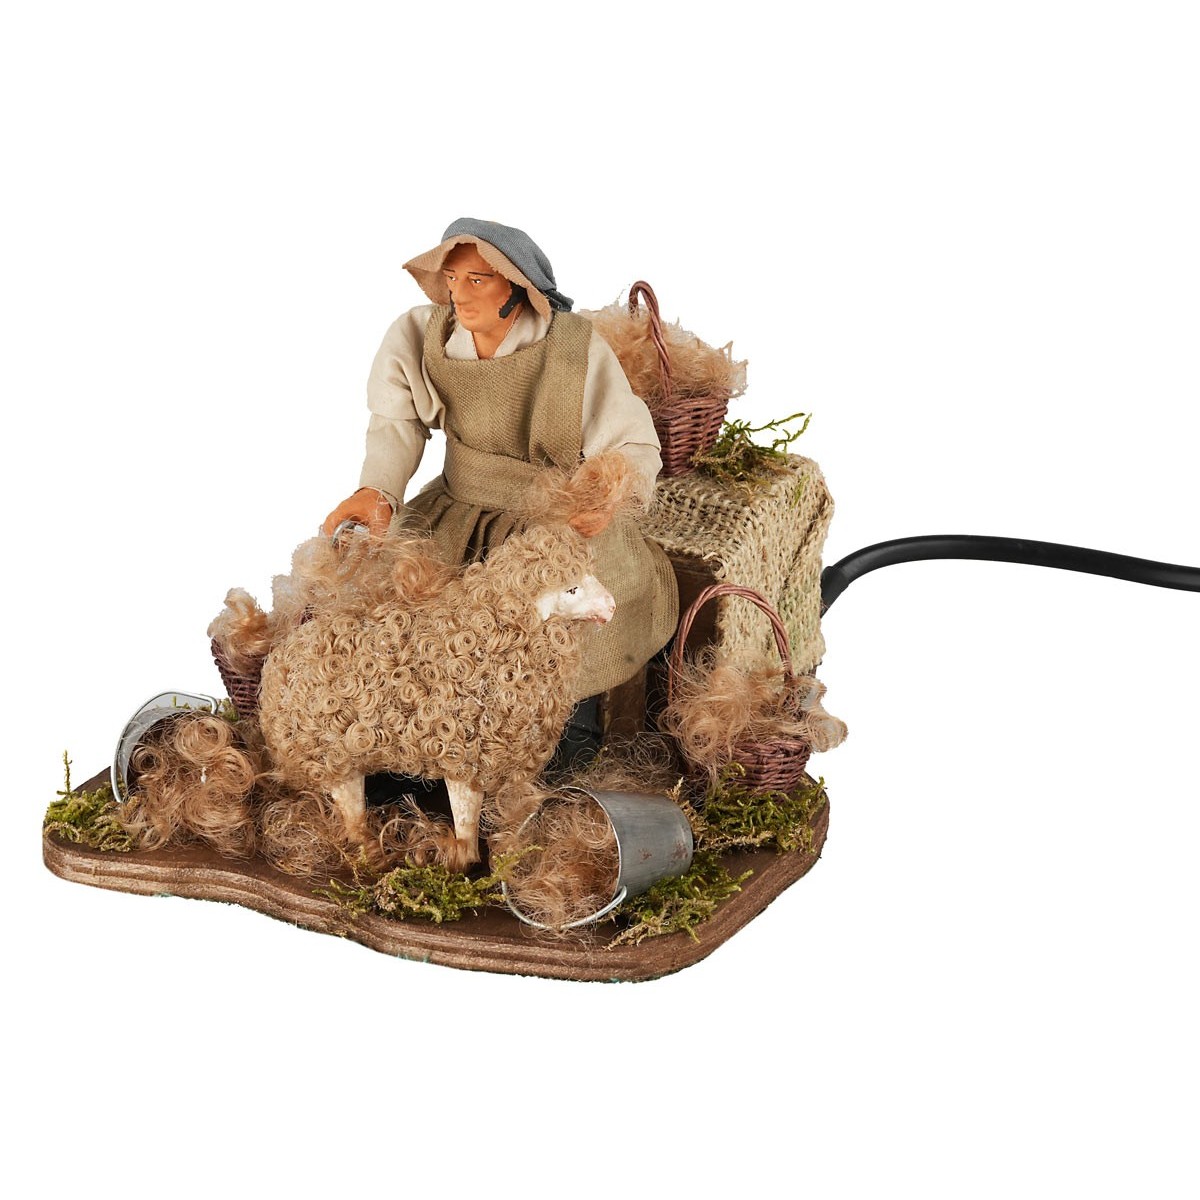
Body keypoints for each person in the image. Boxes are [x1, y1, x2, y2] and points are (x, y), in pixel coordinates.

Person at [323, 217, 678, 725]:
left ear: (517, 285)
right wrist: (378, 489)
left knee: (564, 620)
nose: (459, 294)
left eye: (477, 280)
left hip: (556, 522)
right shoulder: (422, 335)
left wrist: (604, 499)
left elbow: (632, 442)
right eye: (451, 279)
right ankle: (426, 727)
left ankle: (566, 729)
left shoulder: (573, 349)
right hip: (457, 512)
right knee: (412, 612)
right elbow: (397, 421)